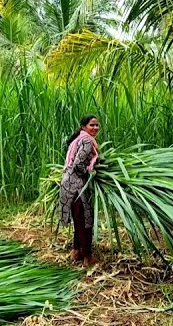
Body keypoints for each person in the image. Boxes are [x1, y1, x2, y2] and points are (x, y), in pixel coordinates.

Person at [59, 114, 101, 266]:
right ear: (84, 127)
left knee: (78, 219)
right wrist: (91, 173)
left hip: (67, 183)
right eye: (92, 125)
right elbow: (78, 165)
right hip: (77, 185)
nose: (95, 128)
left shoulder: (77, 139)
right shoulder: (87, 141)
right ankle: (88, 258)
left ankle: (76, 252)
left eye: (97, 125)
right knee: (85, 220)